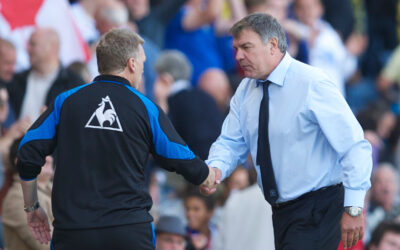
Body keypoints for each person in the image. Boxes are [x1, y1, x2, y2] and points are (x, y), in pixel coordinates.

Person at [17, 28, 217, 250]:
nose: (143, 69)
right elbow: (179, 156)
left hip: (73, 233)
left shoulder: (65, 101)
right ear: (132, 64)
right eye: (142, 62)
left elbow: (27, 152)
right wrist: (207, 176)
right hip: (129, 233)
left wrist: (32, 207)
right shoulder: (146, 107)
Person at [204, 13, 372, 249]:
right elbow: (232, 141)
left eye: (246, 47)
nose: (238, 56)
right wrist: (215, 168)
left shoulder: (311, 82)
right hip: (282, 212)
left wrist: (354, 208)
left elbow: (355, 146)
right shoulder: (245, 90)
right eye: (236, 48)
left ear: (272, 45)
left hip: (319, 207)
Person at [7, 28, 84, 121]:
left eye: (33, 44)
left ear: (52, 47)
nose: (27, 49)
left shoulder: (74, 85)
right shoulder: (16, 80)